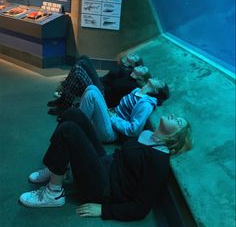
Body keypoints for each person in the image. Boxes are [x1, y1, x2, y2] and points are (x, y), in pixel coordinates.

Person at [19, 110, 192, 222]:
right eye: (177, 117)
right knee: (73, 114)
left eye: (178, 121)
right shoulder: (147, 134)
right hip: (105, 165)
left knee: (69, 130)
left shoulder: (159, 161)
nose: (174, 116)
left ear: (176, 138)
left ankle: (53, 194)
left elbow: (141, 207)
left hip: (102, 188)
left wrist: (104, 210)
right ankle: (56, 169)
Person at [59, 77, 170, 142]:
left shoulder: (146, 105)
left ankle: (77, 129)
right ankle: (78, 126)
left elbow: (134, 130)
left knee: (92, 94)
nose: (157, 78)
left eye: (160, 82)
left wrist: (113, 118)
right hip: (110, 118)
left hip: (112, 132)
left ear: (156, 91)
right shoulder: (136, 91)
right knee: (92, 88)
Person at [48, 54, 150, 115]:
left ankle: (65, 105)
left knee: (78, 71)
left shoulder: (132, 84)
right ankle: (62, 99)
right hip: (100, 83)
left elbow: (116, 94)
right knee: (83, 58)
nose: (133, 55)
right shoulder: (125, 71)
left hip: (102, 93)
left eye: (143, 68)